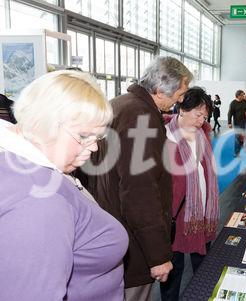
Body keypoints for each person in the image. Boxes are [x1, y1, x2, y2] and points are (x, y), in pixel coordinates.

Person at [0, 70, 128, 300]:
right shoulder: (38, 201)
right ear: (44, 123)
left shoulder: (20, 162)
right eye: (83, 136)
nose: (94, 148)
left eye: (97, 138)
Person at [89, 56, 192, 301]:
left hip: (110, 225)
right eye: (180, 93)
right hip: (132, 243)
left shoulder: (119, 104)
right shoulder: (142, 118)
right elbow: (139, 193)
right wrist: (158, 255)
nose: (181, 100)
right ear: (159, 90)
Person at [160, 87, 219, 300]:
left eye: (205, 116)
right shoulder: (164, 137)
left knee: (203, 266)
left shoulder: (203, 136)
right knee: (173, 272)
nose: (201, 120)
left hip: (201, 214)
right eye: (197, 114)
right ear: (182, 109)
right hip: (175, 217)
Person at [227, 90, 246, 157]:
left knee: (243, 138)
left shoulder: (244, 101)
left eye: (243, 94)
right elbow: (229, 113)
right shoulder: (233, 103)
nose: (243, 96)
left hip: (245, 123)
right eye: (242, 95)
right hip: (237, 123)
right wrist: (229, 122)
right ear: (238, 96)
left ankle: (243, 151)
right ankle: (236, 152)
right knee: (237, 138)